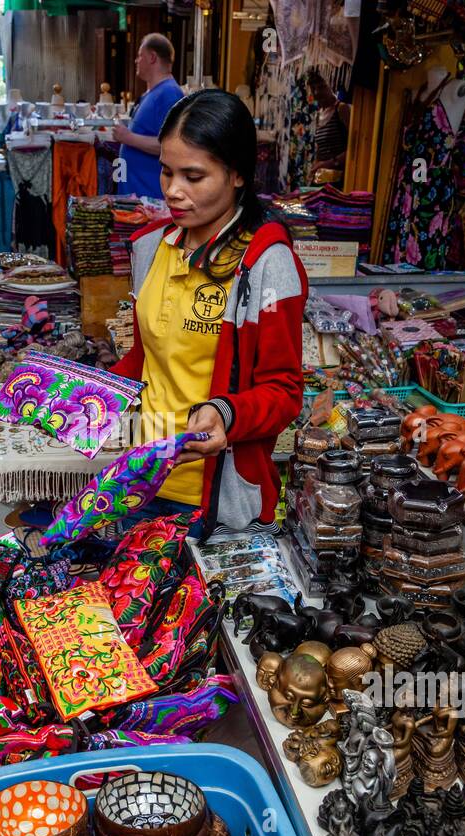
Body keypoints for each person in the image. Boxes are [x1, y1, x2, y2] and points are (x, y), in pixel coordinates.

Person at [110, 89, 306, 540]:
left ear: (237, 174)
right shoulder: (150, 247)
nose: (173, 191)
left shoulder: (265, 264)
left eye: (193, 176)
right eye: (166, 171)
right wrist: (82, 394)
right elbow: (147, 361)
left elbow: (284, 390)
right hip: (142, 477)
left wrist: (226, 414)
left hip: (214, 497)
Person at [112, 33, 185, 200]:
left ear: (152, 57)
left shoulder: (169, 94)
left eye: (140, 55)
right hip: (136, 198)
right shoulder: (153, 93)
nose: (136, 60)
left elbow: (173, 145)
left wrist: (129, 138)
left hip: (150, 200)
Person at [308, 71, 350, 180]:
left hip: (340, 178)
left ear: (332, 84)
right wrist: (316, 167)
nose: (317, 92)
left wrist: (329, 163)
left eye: (321, 87)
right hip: (324, 178)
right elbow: (321, 150)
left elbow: (354, 149)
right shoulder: (319, 115)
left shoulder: (341, 109)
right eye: (313, 89)